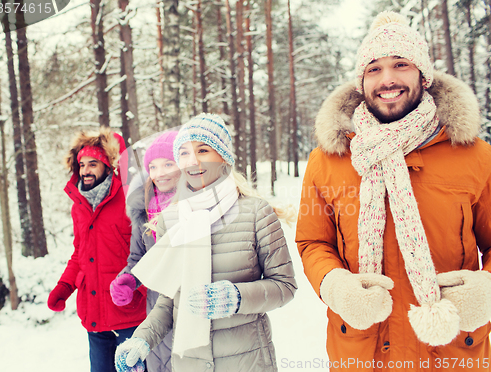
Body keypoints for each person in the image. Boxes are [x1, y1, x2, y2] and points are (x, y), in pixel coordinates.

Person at [296, 11, 491, 372]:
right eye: (374, 68)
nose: (387, 79)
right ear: (361, 80)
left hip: (452, 352)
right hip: (363, 352)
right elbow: (313, 243)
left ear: (422, 74)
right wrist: (334, 284)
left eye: (400, 64)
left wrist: (487, 288)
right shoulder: (328, 159)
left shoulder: (476, 155)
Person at [114, 113, 297, 372]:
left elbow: (285, 286)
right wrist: (141, 340)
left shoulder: (257, 213)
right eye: (185, 153)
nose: (194, 161)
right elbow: (169, 300)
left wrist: (235, 297)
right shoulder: (171, 219)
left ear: (223, 156)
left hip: (247, 362)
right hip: (189, 364)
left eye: (203, 149)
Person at [48, 127, 147, 372]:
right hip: (95, 318)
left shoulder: (128, 196)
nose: (85, 171)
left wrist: (139, 287)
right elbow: (80, 254)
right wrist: (65, 286)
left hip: (130, 315)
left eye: (93, 164)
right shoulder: (79, 206)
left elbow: (149, 250)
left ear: (107, 165)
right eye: (82, 165)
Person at [110, 131, 180, 372]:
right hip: (158, 310)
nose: (160, 173)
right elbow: (139, 258)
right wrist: (128, 279)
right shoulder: (142, 211)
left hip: (196, 307)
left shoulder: (202, 204)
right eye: (153, 166)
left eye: (168, 164)